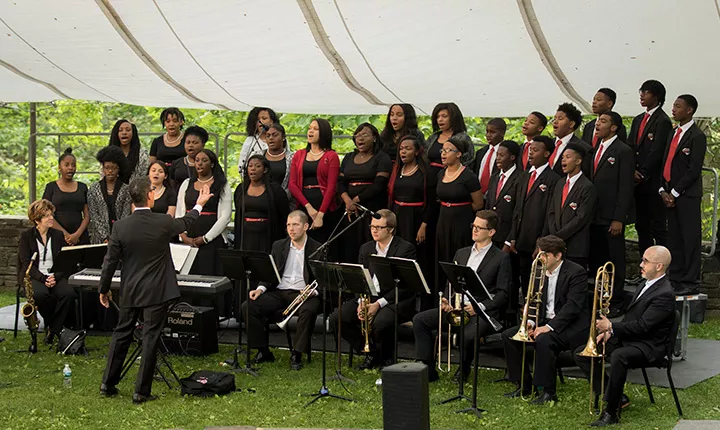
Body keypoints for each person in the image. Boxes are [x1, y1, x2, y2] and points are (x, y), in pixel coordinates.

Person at [98, 176, 213, 404]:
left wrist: (104, 289)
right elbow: (186, 222)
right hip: (158, 290)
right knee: (150, 338)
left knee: (122, 334)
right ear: (150, 196)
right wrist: (200, 203)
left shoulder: (120, 227)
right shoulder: (163, 221)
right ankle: (141, 391)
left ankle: (107, 383)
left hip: (131, 289)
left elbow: (109, 262)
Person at [574, 246, 675, 427]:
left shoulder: (665, 294)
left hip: (649, 345)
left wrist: (612, 326)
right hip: (632, 338)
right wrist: (609, 332)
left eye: (645, 261)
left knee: (619, 356)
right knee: (582, 353)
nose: (640, 264)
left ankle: (611, 413)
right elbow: (631, 318)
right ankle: (615, 396)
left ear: (659, 266)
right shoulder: (645, 283)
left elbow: (644, 326)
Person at [413, 210, 510, 382]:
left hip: (481, 312)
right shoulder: (462, 253)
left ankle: (463, 370)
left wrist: (478, 307)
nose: (474, 230)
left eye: (479, 228)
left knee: (468, 334)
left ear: (491, 232)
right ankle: (427, 370)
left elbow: (503, 294)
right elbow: (451, 282)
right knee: (420, 320)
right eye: (473, 226)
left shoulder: (501, 258)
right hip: (456, 307)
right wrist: (446, 300)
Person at [502, 235, 589, 404]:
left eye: (545, 254)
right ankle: (523, 384)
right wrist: (531, 322)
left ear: (558, 256)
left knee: (543, 339)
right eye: (540, 253)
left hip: (569, 325)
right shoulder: (538, 270)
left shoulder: (576, 272)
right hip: (544, 322)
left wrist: (548, 327)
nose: (540, 258)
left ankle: (547, 391)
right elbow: (534, 300)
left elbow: (572, 307)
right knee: (508, 336)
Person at [329, 210, 416, 369]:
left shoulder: (405, 249)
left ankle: (386, 358)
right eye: (372, 226)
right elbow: (359, 279)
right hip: (368, 296)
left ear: (390, 229)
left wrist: (378, 304)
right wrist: (362, 301)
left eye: (379, 227)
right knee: (337, 318)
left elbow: (406, 286)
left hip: (394, 298)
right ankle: (370, 351)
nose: (374, 230)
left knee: (380, 322)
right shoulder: (366, 248)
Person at [241, 211, 321, 370]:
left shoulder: (317, 248)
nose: (291, 229)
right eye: (288, 225)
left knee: (309, 311)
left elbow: (323, 279)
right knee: (248, 306)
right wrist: (261, 289)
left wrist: (313, 292)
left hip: (304, 294)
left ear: (305, 226)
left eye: (295, 225)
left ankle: (297, 354)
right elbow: (270, 272)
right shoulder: (279, 246)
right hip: (279, 292)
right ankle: (263, 351)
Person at [660, 94, 707, 295]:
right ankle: (676, 278)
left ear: (689, 110)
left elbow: (693, 168)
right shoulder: (673, 133)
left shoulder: (697, 136)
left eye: (678, 106)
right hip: (669, 193)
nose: (674, 109)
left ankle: (691, 281)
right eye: (673, 105)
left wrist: (675, 192)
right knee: (674, 238)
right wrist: (663, 189)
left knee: (690, 238)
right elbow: (666, 162)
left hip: (686, 195)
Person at [589, 112, 635, 316]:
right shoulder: (595, 149)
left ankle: (615, 300)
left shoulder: (623, 151)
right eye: (597, 121)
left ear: (614, 127)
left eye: (603, 122)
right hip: (595, 215)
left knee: (614, 259)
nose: (598, 124)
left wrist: (618, 218)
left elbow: (625, 187)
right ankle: (599, 299)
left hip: (611, 216)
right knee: (598, 259)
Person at [17, 199, 78, 345]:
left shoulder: (57, 235)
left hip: (55, 274)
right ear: (37, 220)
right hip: (35, 275)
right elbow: (26, 264)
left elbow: (64, 261)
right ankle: (54, 327)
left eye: (52, 215)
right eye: (47, 216)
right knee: (40, 295)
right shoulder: (26, 237)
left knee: (68, 294)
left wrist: (55, 277)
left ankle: (54, 329)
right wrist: (43, 278)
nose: (51, 218)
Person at [506, 136, 560, 293]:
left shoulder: (553, 179)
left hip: (536, 238)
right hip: (520, 238)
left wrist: (541, 241)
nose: (531, 154)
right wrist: (512, 236)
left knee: (534, 283)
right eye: (530, 150)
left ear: (547, 153)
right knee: (515, 279)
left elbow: (549, 212)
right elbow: (517, 208)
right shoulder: (524, 176)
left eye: (536, 150)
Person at [388, 134, 437, 302]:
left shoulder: (425, 173)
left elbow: (431, 202)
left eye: (408, 148)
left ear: (417, 151)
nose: (403, 152)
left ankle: (421, 300)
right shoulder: (396, 170)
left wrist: (424, 225)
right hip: (398, 217)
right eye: (401, 148)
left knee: (417, 259)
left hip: (416, 219)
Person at [337, 123, 392, 263]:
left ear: (374, 138)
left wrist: (356, 200)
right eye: (357, 135)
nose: (360, 138)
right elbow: (340, 182)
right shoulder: (349, 157)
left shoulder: (381, 157)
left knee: (368, 244)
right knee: (349, 245)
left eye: (364, 135)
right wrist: (348, 201)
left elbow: (379, 184)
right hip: (349, 209)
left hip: (371, 208)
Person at [629, 80, 672, 256]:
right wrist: (631, 169)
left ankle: (663, 267)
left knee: (657, 225)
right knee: (641, 224)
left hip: (652, 182)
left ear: (656, 96)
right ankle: (644, 264)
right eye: (641, 91)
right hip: (636, 180)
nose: (642, 95)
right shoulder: (639, 119)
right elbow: (630, 145)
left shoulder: (662, 121)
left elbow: (657, 151)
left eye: (646, 92)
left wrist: (644, 173)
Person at [436, 135, 484, 290]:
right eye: (442, 150)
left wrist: (460, 210)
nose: (443, 154)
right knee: (444, 256)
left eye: (448, 150)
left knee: (459, 257)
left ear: (458, 154)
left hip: (462, 221)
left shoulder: (469, 176)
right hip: (443, 220)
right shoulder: (440, 174)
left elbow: (478, 203)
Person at [176, 149, 232, 275]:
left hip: (212, 240)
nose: (199, 164)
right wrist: (183, 235)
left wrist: (206, 238)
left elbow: (225, 216)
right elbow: (180, 211)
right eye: (197, 161)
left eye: (204, 160)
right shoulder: (187, 183)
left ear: (212, 164)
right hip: (188, 237)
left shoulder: (222, 184)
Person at [288, 118, 340, 244]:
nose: (311, 131)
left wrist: (320, 214)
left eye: (315, 129)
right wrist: (309, 207)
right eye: (310, 128)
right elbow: (292, 184)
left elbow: (331, 187)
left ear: (324, 133)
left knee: (322, 244)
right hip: (303, 204)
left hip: (324, 207)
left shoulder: (331, 156)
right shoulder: (299, 154)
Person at [545, 143, 596, 269]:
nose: (563, 160)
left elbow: (581, 218)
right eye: (562, 157)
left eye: (568, 157)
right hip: (556, 246)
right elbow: (552, 211)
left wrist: (558, 236)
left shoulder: (587, 187)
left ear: (578, 161)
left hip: (575, 247)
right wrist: (553, 233)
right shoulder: (560, 183)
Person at [233, 154, 289, 253]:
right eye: (250, 166)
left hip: (267, 235)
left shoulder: (275, 190)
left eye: (257, 166)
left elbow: (283, 214)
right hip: (245, 235)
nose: (253, 169)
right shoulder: (240, 189)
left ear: (265, 170)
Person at [42, 148, 90, 245]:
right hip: (57, 236)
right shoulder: (51, 187)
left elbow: (87, 215)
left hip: (80, 237)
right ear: (59, 167)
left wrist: (77, 235)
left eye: (73, 165)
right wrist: (65, 234)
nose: (70, 168)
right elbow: (45, 213)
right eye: (66, 165)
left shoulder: (82, 187)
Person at [88, 146, 132, 244]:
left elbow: (126, 214)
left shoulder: (126, 189)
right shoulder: (94, 189)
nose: (110, 171)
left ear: (119, 169)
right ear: (103, 169)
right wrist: (105, 237)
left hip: (121, 238)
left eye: (113, 168)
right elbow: (94, 215)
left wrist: (116, 236)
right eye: (107, 168)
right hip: (99, 239)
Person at [485, 140, 522, 249]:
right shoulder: (494, 177)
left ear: (512, 157)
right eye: (497, 155)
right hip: (490, 234)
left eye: (502, 155)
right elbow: (489, 204)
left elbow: (518, 211)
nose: (498, 158)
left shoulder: (520, 178)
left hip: (506, 235)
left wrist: (509, 240)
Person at [425, 102, 473, 178]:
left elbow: (468, 162)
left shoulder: (462, 138)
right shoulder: (433, 137)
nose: (440, 119)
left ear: (453, 118)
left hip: (452, 178)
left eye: (444, 116)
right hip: (430, 178)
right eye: (437, 117)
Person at [548, 103, 592, 177]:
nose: (555, 122)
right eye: (554, 118)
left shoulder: (584, 148)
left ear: (571, 124)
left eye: (560, 118)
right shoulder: (548, 144)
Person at [238, 107, 279, 177]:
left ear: (272, 121)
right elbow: (241, 165)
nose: (260, 121)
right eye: (257, 120)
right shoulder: (250, 141)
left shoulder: (280, 139)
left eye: (264, 118)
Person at [471, 118, 506, 194]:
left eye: (492, 132)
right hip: (478, 195)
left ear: (502, 133)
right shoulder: (481, 152)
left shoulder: (507, 153)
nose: (488, 135)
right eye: (487, 132)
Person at [168, 125, 207, 193]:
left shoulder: (209, 163)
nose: (190, 145)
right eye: (188, 142)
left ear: (203, 145)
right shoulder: (176, 163)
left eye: (195, 143)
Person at [262, 123, 294, 205]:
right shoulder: (258, 155)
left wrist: (281, 197)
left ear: (283, 137)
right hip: (262, 201)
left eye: (275, 135)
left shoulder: (292, 158)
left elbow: (294, 183)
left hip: (284, 202)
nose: (271, 138)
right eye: (268, 136)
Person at [109, 119, 149, 184]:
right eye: (120, 130)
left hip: (136, 191)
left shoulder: (142, 155)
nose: (124, 133)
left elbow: (144, 177)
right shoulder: (108, 154)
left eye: (128, 130)